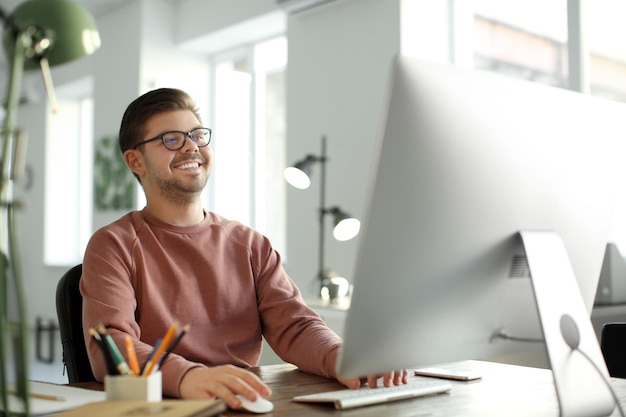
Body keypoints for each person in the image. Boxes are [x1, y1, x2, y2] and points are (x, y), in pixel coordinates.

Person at [81, 88, 407, 410]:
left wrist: (344, 359)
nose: (191, 147)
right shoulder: (113, 245)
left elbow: (296, 326)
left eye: (197, 135)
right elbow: (111, 347)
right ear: (136, 160)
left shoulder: (250, 245)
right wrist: (187, 377)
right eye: (171, 139)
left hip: (242, 403)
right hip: (164, 407)